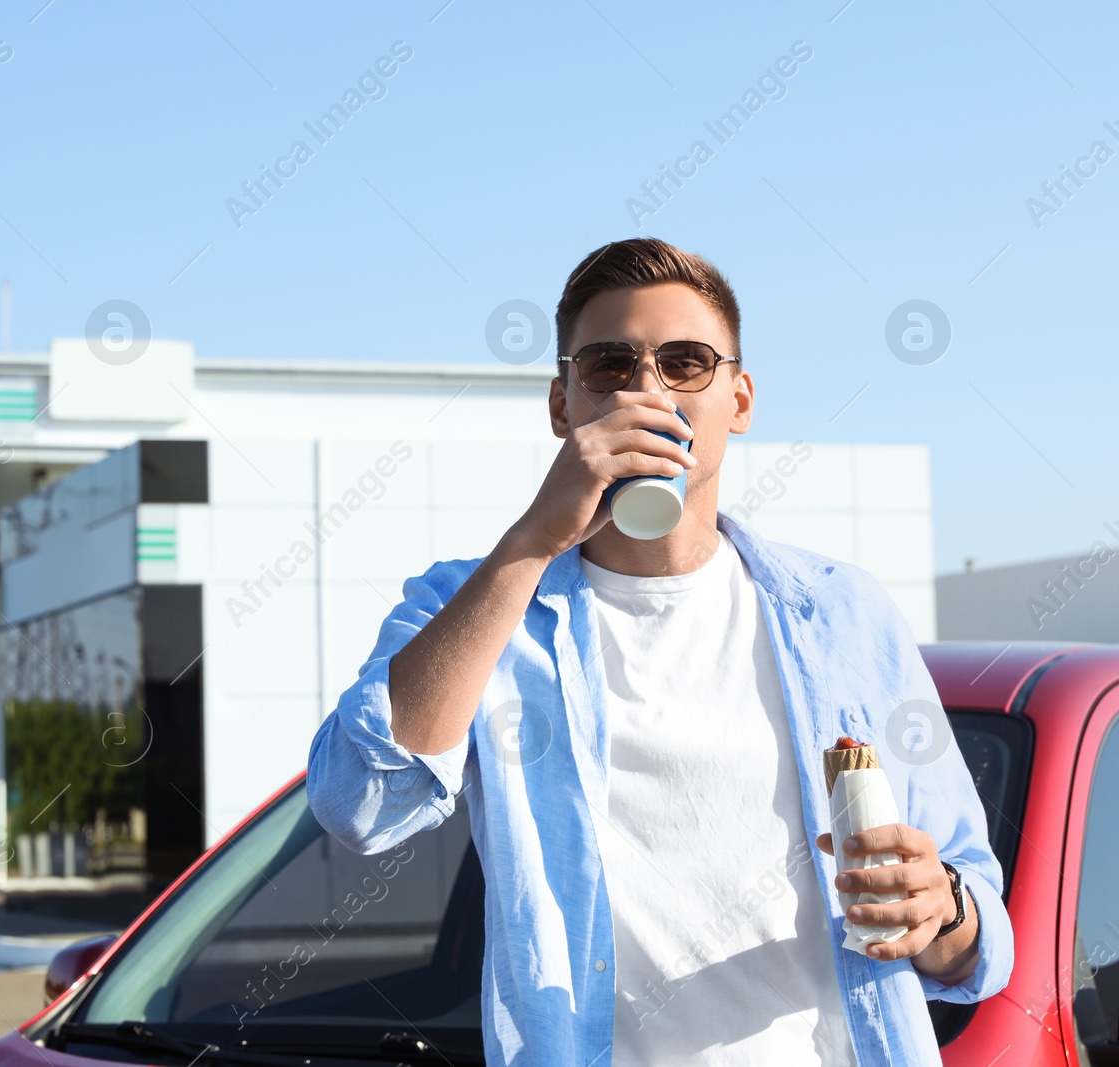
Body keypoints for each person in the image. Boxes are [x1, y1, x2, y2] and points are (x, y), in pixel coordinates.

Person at [305, 237, 1011, 1066]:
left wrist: (944, 909)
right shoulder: (477, 603)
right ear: (563, 406)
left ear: (739, 399)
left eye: (686, 362)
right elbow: (360, 804)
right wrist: (533, 542)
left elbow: (975, 926)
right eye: (610, 364)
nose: (648, 388)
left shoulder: (842, 613)